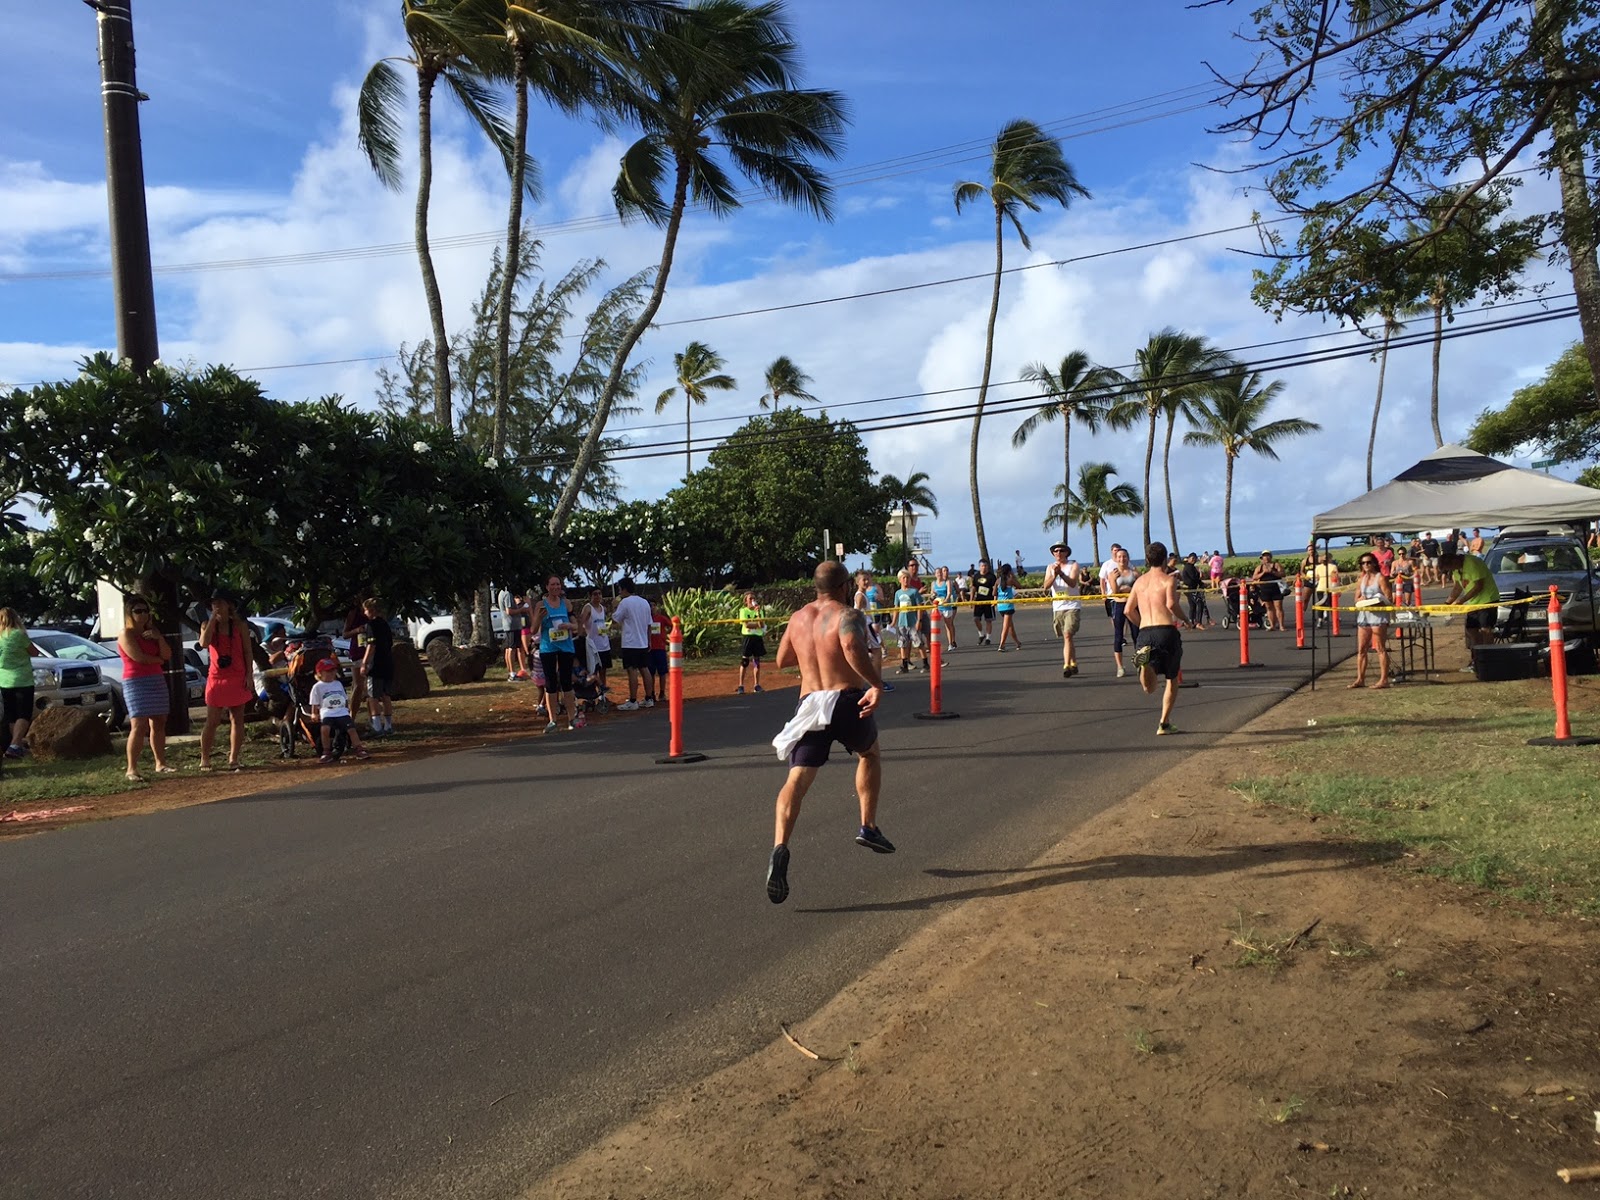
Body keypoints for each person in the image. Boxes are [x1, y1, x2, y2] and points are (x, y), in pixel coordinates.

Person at [765, 562, 892, 905]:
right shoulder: (848, 613)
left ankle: (780, 846)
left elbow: (781, 660)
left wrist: (812, 655)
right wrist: (877, 683)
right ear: (845, 585)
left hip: (810, 703)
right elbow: (851, 649)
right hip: (844, 699)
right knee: (870, 753)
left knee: (797, 780)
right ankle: (867, 825)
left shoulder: (797, 618)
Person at [1124, 542, 1184, 735]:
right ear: (1165, 559)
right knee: (1171, 679)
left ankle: (1145, 666)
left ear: (1147, 560)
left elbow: (1127, 610)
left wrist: (1142, 624)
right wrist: (1187, 620)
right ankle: (1164, 723)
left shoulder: (1139, 582)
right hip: (1165, 629)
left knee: (1149, 688)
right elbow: (1172, 604)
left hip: (1145, 632)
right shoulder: (1168, 580)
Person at [116, 599, 175, 780]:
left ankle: (160, 763)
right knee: (138, 724)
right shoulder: (126, 634)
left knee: (159, 721)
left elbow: (167, 654)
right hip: (136, 681)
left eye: (145, 611)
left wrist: (159, 639)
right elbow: (138, 657)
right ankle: (131, 768)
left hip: (155, 679)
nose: (142, 615)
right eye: (138, 611)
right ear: (129, 614)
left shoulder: (152, 633)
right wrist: (157, 660)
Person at [199, 592, 255, 772]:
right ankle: (205, 758)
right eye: (214, 604)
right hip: (217, 678)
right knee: (212, 720)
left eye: (220, 603)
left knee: (237, 718)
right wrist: (212, 621)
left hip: (237, 676)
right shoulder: (207, 625)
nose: (217, 607)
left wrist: (249, 675)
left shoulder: (239, 626)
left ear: (229, 605)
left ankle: (233, 758)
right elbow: (204, 643)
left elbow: (248, 651)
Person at [530, 574, 581, 732]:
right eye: (552, 585)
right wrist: (539, 617)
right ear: (547, 587)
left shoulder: (566, 603)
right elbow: (533, 630)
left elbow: (576, 625)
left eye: (558, 584)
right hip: (548, 648)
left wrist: (569, 626)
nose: (556, 587)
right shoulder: (541, 605)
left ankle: (572, 718)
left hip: (565, 647)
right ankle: (552, 720)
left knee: (566, 682)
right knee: (550, 684)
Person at [308, 657, 371, 762]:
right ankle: (326, 752)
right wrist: (314, 713)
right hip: (327, 712)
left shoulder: (338, 684)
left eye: (333, 670)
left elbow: (344, 698)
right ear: (320, 673)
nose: (331, 673)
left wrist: (346, 709)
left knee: (351, 729)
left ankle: (359, 749)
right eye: (328, 671)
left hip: (341, 712)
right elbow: (315, 702)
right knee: (325, 729)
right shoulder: (317, 687)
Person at [1440, 548, 1501, 655]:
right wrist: (1447, 603)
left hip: (1487, 600)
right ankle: (1477, 656)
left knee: (1485, 630)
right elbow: (1458, 587)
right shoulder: (1457, 569)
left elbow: (1478, 586)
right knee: (1471, 629)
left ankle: (1489, 656)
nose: (1450, 571)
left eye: (1449, 568)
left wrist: (1461, 600)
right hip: (1473, 603)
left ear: (1454, 561)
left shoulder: (1472, 563)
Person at [1349, 551, 1394, 689]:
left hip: (1378, 615)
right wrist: (1361, 600)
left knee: (1380, 648)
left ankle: (1383, 679)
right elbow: (1356, 598)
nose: (1366, 565)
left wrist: (1375, 602)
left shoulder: (1381, 578)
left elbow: (1389, 598)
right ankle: (1360, 679)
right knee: (1361, 649)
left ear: (1374, 563)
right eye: (1363, 563)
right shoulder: (1361, 579)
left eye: (1368, 562)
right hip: (1364, 615)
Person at [1042, 543, 1084, 677]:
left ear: (1066, 552)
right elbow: (1046, 586)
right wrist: (1054, 574)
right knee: (1067, 637)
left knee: (1067, 635)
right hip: (1058, 606)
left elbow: (1072, 582)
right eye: (1056, 551)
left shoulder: (1074, 565)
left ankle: (1066, 665)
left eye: (1061, 550)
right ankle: (1074, 662)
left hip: (1072, 606)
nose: (1058, 553)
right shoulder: (1050, 567)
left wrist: (1062, 574)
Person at [613, 578, 653, 711]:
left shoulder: (625, 602)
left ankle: (633, 700)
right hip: (642, 642)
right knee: (644, 668)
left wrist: (614, 606)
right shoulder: (644, 602)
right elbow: (649, 624)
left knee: (632, 670)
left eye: (619, 589)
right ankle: (649, 698)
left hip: (630, 642)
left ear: (623, 589)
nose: (619, 591)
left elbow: (616, 619)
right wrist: (649, 640)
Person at [0, 607, 34, 760]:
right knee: (24, 714)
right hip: (22, 679)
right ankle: (14, 745)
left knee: (11, 715)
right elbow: (34, 652)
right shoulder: (18, 635)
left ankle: (16, 746)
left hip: (4, 681)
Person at [359, 596, 395, 736]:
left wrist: (364, 662)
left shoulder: (371, 625)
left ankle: (376, 726)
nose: (365, 613)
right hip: (388, 662)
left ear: (372, 610)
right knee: (386, 695)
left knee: (373, 696)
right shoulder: (385, 624)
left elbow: (371, 645)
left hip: (376, 665)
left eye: (366, 610)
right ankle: (388, 725)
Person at [1106, 546, 1137, 677]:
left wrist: (1127, 589)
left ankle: (1140, 663)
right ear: (1116, 559)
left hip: (1133, 605)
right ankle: (1120, 666)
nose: (1122, 559)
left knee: (1137, 634)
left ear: (1128, 558)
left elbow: (1137, 589)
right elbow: (1115, 592)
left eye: (1124, 556)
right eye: (1119, 557)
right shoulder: (1113, 573)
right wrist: (1118, 585)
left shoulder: (1134, 573)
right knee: (1118, 636)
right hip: (1119, 605)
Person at [893, 569, 928, 673]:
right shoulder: (898, 593)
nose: (906, 580)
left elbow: (919, 607)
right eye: (903, 578)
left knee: (918, 643)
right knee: (902, 644)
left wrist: (919, 621)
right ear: (899, 580)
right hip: (902, 623)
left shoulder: (914, 592)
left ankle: (925, 663)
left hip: (913, 622)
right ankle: (904, 665)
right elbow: (896, 608)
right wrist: (893, 621)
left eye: (907, 577)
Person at [581, 588, 612, 703]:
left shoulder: (603, 608)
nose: (598, 596)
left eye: (599, 593)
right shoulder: (588, 608)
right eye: (595, 594)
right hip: (593, 646)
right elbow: (581, 622)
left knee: (603, 671)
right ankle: (591, 696)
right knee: (592, 671)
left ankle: (602, 696)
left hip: (604, 644)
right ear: (590, 596)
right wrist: (582, 637)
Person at [736, 591, 768, 694]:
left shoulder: (759, 611)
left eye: (754, 598)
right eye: (750, 599)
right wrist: (756, 624)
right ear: (746, 601)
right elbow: (746, 625)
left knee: (757, 661)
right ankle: (741, 685)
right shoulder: (743, 611)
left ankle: (756, 685)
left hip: (757, 637)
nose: (752, 600)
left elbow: (762, 625)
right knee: (745, 661)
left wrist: (758, 613)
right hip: (748, 637)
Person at [1250, 552, 1286, 632]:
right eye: (1264, 557)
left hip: (1276, 588)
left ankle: (1281, 626)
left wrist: (1272, 572)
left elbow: (1283, 574)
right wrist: (1263, 573)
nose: (1266, 558)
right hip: (1265, 589)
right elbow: (1254, 577)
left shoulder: (1276, 565)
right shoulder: (1260, 567)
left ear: (1270, 557)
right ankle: (1272, 625)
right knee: (1269, 608)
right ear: (1262, 558)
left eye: (1267, 556)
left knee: (1278, 607)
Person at [499, 585, 529, 681]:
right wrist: (522, 609)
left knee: (509, 648)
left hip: (508, 625)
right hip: (512, 625)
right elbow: (509, 611)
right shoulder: (507, 594)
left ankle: (510, 672)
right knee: (512, 648)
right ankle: (512, 674)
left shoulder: (501, 593)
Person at [931, 565, 960, 650]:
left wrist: (946, 600)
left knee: (948, 625)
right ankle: (935, 644)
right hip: (937, 607)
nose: (939, 574)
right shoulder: (933, 583)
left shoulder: (947, 582)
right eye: (937, 573)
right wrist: (933, 596)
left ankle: (950, 643)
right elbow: (932, 593)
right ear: (935, 574)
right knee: (935, 625)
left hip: (946, 606)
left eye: (940, 572)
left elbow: (949, 593)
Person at [995, 563, 1021, 651]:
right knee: (1006, 626)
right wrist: (1013, 576)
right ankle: (1001, 644)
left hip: (1000, 606)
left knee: (1010, 626)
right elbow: (1019, 586)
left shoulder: (997, 581)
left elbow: (994, 593)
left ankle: (1017, 642)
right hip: (1008, 606)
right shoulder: (1010, 580)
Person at [970, 558, 997, 645]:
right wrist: (971, 599)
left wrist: (994, 600)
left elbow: (995, 588)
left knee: (988, 620)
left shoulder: (991, 576)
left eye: (985, 566)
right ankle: (981, 634)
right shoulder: (976, 576)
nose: (984, 568)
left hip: (988, 601)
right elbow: (973, 588)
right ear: (979, 567)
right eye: (982, 566)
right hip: (978, 601)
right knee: (976, 619)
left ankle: (988, 638)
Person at [1179, 552, 1208, 630]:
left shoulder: (1192, 567)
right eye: (1192, 559)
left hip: (1191, 588)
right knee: (1200, 603)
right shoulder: (1188, 567)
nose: (1193, 560)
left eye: (1195, 559)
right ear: (1188, 559)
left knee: (1192, 605)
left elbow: (1196, 579)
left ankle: (1191, 622)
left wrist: (1202, 584)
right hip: (1190, 589)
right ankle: (1198, 622)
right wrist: (1200, 576)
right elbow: (1194, 578)